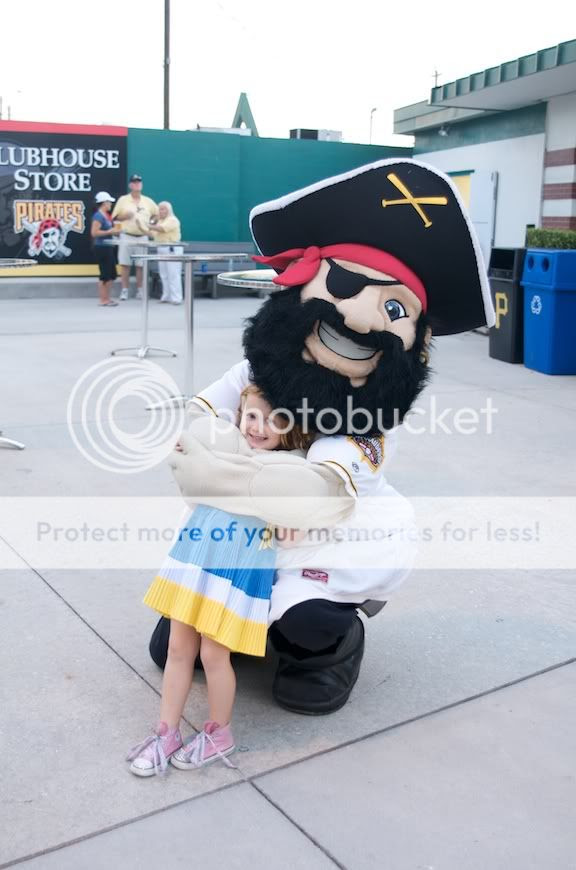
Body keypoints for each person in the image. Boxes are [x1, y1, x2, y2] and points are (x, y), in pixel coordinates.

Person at [152, 158, 496, 716]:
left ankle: (330, 649)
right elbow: (198, 428)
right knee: (172, 644)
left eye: (393, 308)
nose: (359, 319)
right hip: (241, 533)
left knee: (306, 619)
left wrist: (228, 466)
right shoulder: (258, 372)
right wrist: (234, 470)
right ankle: (238, 623)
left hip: (321, 542)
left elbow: (309, 493)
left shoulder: (365, 428)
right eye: (345, 283)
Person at [127, 385, 314, 776]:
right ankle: (166, 732)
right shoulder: (224, 450)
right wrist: (186, 459)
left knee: (214, 655)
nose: (258, 427)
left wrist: (288, 515)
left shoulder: (287, 470)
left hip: (235, 572)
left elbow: (292, 533)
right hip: (197, 558)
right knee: (178, 648)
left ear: (291, 426)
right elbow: (195, 493)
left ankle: (219, 733)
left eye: (273, 420)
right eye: (251, 416)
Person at [111, 174, 158, 301]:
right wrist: (125, 216)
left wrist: (151, 224)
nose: (137, 184)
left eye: (139, 182)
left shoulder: (148, 201)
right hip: (126, 235)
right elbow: (115, 217)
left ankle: (140, 290)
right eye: (134, 182)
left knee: (140, 265)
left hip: (142, 237)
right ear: (130, 185)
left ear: (142, 185)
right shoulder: (123, 200)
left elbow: (156, 214)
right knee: (125, 265)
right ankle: (124, 290)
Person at [149, 201, 183, 304]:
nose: (160, 211)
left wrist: (148, 225)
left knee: (173, 274)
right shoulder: (160, 221)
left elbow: (162, 229)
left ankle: (176, 298)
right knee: (164, 274)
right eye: (159, 209)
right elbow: (152, 234)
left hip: (172, 249)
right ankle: (166, 296)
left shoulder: (172, 220)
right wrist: (142, 226)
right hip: (161, 248)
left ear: (169, 210)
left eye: (163, 209)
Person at [91, 192, 121, 306]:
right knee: (105, 274)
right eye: (109, 202)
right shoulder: (98, 216)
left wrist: (114, 232)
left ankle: (107, 298)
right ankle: (103, 300)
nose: (111, 204)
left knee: (111, 274)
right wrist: (109, 231)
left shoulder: (106, 215)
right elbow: (94, 233)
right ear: (104, 203)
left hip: (108, 247)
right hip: (102, 247)